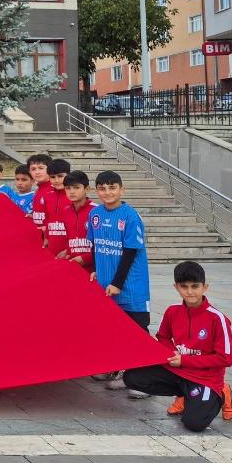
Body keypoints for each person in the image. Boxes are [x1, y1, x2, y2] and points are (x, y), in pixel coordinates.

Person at [124, 261, 232, 429]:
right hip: (178, 372)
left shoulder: (217, 319)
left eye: (195, 286)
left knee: (194, 424)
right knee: (132, 377)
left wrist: (184, 360)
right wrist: (172, 354)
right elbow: (162, 337)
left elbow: (225, 358)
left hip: (205, 379)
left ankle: (222, 392)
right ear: (176, 287)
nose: (189, 292)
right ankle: (186, 395)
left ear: (205, 287)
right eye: (184, 287)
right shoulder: (172, 311)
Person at [88, 169, 152, 398]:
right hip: (106, 285)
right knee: (113, 329)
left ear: (122, 190)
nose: (107, 192)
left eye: (112, 188)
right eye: (102, 189)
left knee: (137, 331)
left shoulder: (130, 216)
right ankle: (117, 369)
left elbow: (130, 252)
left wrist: (117, 283)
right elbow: (95, 245)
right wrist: (96, 269)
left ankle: (144, 381)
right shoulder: (95, 214)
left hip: (130, 286)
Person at [58, 171, 95, 271]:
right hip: (73, 265)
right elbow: (70, 238)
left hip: (94, 269)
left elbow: (104, 244)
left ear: (87, 189)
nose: (72, 191)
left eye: (76, 187)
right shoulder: (66, 211)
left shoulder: (96, 211)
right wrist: (67, 251)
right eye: (68, 188)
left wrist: (85, 259)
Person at [36, 159, 72, 254]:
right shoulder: (47, 196)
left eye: (60, 176)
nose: (56, 180)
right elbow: (48, 219)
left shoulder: (74, 196)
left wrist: (69, 250)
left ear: (68, 175)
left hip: (70, 250)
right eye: (52, 177)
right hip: (52, 245)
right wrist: (46, 238)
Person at [27, 153, 54, 231]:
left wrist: (48, 227)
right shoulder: (38, 190)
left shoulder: (55, 189)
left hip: (51, 235)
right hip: (38, 234)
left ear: (50, 169)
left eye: (41, 168)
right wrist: (33, 216)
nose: (37, 172)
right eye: (33, 169)